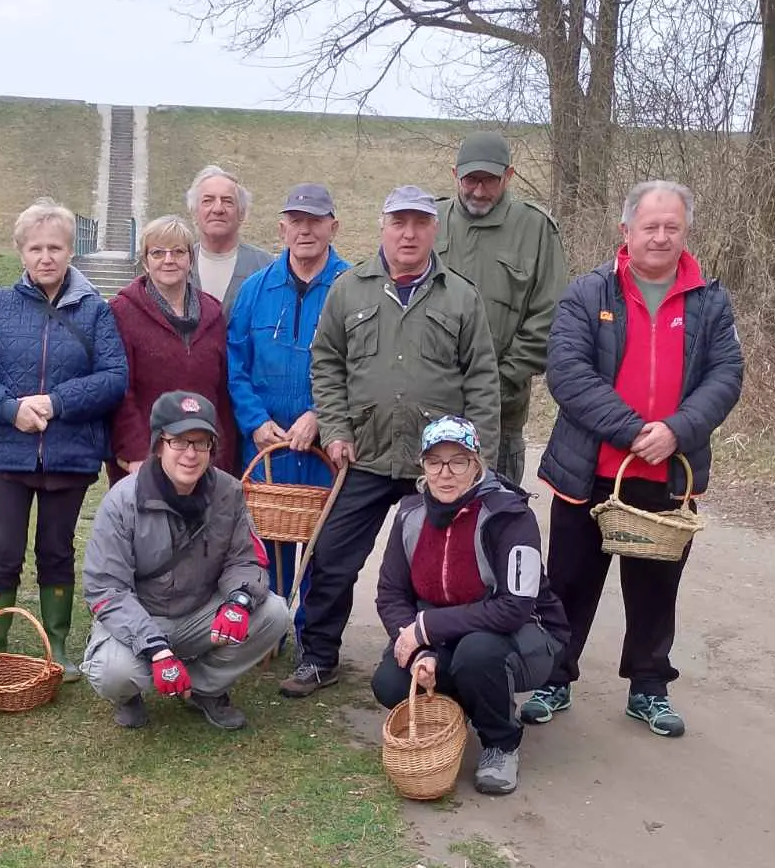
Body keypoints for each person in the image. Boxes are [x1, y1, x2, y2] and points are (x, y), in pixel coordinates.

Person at [523, 180, 743, 738]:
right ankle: (554, 678)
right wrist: (631, 429)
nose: (661, 237)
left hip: (670, 472)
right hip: (589, 471)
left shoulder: (710, 299)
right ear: (626, 231)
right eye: (651, 226)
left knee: (656, 585)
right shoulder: (587, 292)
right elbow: (568, 374)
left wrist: (675, 431)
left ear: (685, 232)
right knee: (570, 580)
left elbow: (726, 376)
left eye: (672, 227)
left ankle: (649, 687)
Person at [279, 184, 500, 698]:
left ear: (434, 230)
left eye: (420, 223)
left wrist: (473, 456)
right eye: (399, 222)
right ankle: (318, 658)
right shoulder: (350, 289)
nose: (409, 233)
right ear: (382, 227)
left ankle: (443, 661)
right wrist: (335, 429)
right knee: (331, 557)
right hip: (367, 456)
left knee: (447, 564)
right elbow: (327, 364)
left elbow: (483, 379)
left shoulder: (461, 296)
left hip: (438, 465)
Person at [0, 199, 128, 679]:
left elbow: (114, 376)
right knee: (1, 551)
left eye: (55, 247)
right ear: (21, 252)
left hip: (69, 455)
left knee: (56, 550)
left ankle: (57, 647)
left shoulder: (95, 312)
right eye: (36, 248)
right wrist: (12, 410)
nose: (46, 257)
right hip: (4, 453)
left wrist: (56, 403)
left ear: (71, 251)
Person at [371, 416, 568, 795]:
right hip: (445, 636)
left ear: (477, 464)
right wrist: (421, 650)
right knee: (390, 682)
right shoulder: (410, 514)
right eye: (434, 462)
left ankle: (501, 742)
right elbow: (390, 594)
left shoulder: (511, 516)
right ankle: (465, 706)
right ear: (422, 466)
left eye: (457, 461)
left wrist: (426, 629)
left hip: (524, 635)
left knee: (477, 654)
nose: (445, 474)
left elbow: (515, 607)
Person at [82, 391, 292, 730]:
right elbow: (106, 588)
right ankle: (130, 693)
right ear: (159, 444)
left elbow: (246, 558)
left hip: (198, 613)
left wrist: (238, 600)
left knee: (275, 613)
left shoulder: (229, 492)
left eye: (202, 442)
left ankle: (203, 689)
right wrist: (156, 649)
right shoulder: (122, 500)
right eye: (179, 441)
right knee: (111, 672)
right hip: (142, 616)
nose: (191, 454)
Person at [227, 183, 349, 615]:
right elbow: (235, 363)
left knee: (324, 548)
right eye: (296, 221)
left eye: (315, 221)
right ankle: (268, 631)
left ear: (333, 227)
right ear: (282, 229)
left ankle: (311, 642)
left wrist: (321, 416)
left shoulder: (353, 288)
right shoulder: (256, 289)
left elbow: (362, 368)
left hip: (324, 448)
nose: (305, 230)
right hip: (266, 446)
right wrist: (255, 421)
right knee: (266, 544)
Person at [436, 133, 568, 484]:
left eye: (490, 181)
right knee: (429, 521)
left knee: (496, 516)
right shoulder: (429, 222)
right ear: (455, 175)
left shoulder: (536, 229)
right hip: (431, 409)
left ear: (508, 177)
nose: (479, 191)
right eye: (471, 180)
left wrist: (499, 380)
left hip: (501, 413)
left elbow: (549, 316)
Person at [110, 214, 235, 478]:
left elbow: (222, 393)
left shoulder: (213, 312)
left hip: (202, 456)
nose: (169, 260)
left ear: (190, 259)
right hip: (146, 460)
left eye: (178, 252)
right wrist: (135, 454)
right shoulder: (121, 311)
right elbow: (121, 391)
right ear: (145, 261)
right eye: (158, 253)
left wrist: (224, 456)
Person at [186, 166, 273, 316]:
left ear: (242, 213)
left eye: (227, 201)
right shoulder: (177, 266)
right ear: (194, 212)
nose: (218, 209)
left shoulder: (266, 267)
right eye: (208, 201)